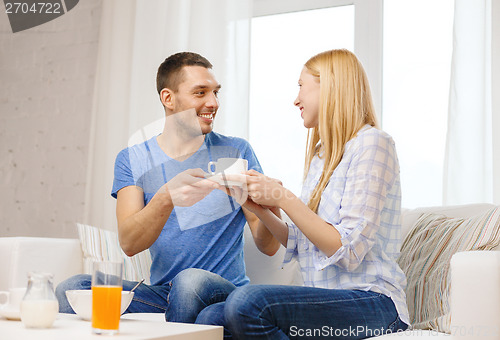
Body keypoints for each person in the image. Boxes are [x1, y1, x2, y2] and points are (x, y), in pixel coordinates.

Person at [55, 52, 279, 322]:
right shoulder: (133, 159)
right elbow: (129, 242)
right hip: (164, 294)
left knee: (190, 282)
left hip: (222, 293)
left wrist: (270, 204)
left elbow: (268, 246)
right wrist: (166, 198)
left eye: (216, 92)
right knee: (72, 289)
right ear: (168, 98)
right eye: (200, 93)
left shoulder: (235, 151)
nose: (213, 103)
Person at [216, 49, 410, 339]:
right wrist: (258, 208)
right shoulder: (322, 157)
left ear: (329, 87)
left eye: (301, 87)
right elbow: (304, 243)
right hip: (328, 299)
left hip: (375, 304)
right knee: (211, 317)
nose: (296, 99)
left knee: (247, 304)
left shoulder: (373, 144)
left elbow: (348, 251)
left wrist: (283, 197)